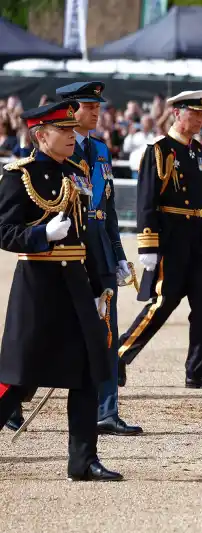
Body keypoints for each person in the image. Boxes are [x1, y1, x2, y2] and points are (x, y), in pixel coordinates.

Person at [0, 101, 122, 481]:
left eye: (72, 129)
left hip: (76, 284)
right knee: (20, 376)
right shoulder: (19, 176)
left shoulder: (77, 173)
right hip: (38, 285)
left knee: (87, 371)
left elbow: (87, 235)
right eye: (63, 130)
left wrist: (100, 286)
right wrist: (41, 235)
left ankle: (83, 461)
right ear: (41, 135)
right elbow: (4, 231)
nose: (71, 136)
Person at [117, 90, 202, 390]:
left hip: (196, 236)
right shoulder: (159, 150)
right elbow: (146, 200)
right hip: (171, 237)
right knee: (163, 303)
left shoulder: (197, 150)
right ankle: (119, 354)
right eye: (195, 113)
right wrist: (148, 244)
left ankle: (196, 372)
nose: (200, 119)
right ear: (177, 113)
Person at [56, 81, 142, 436]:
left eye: (97, 107)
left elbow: (108, 208)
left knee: (107, 335)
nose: (96, 112)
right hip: (68, 252)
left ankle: (107, 410)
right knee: (50, 333)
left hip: (102, 254)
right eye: (89, 107)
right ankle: (12, 403)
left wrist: (118, 254)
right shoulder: (58, 148)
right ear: (71, 110)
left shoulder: (101, 149)